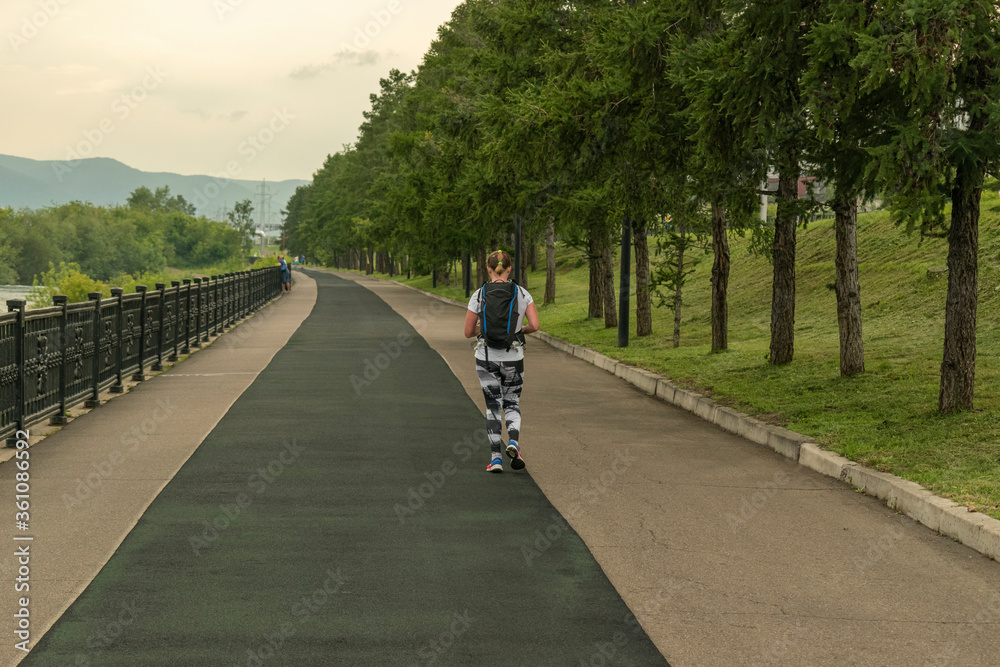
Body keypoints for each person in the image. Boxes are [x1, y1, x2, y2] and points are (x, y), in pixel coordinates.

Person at [464, 250, 540, 473]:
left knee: (492, 406)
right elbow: (535, 325)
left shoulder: (479, 294)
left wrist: (484, 330)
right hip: (513, 357)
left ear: (488, 269)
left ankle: (496, 458)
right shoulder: (522, 294)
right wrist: (519, 331)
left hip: (486, 358)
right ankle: (514, 442)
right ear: (509, 269)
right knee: (512, 403)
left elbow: (468, 331)